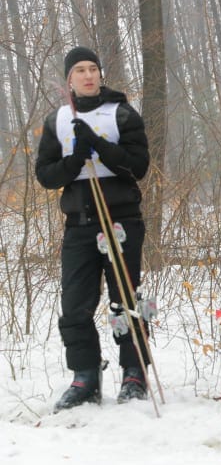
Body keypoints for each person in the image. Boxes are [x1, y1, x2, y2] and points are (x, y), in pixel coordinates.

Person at [35, 47, 150, 412]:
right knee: (74, 304)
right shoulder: (57, 120)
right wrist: (74, 159)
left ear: (101, 75)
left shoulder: (121, 113)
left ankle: (134, 371)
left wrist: (99, 146)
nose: (88, 75)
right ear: (69, 78)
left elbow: (138, 166)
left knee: (126, 301)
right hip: (80, 224)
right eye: (80, 70)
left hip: (120, 220)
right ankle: (85, 375)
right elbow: (46, 175)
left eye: (93, 69)